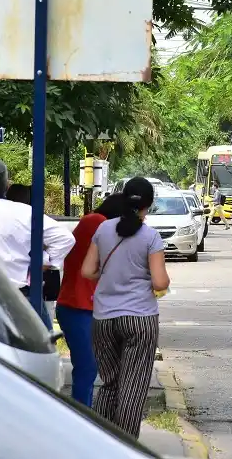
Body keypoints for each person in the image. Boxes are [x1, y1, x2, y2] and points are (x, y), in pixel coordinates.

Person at [81, 177, 171, 438]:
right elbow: (159, 282)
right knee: (133, 387)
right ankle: (127, 448)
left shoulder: (103, 229)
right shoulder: (151, 236)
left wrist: (109, 275)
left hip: (104, 318)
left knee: (109, 383)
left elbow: (87, 271)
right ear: (149, 204)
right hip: (140, 318)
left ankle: (101, 443)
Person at [0, 159, 74, 330]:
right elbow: (65, 238)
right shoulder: (25, 213)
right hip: (21, 299)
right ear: (7, 186)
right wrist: (44, 263)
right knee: (39, 344)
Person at [56, 193, 125, 407]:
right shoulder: (96, 222)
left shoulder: (96, 223)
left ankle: (83, 412)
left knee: (89, 367)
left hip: (86, 306)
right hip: (78, 306)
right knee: (87, 367)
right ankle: (80, 415)